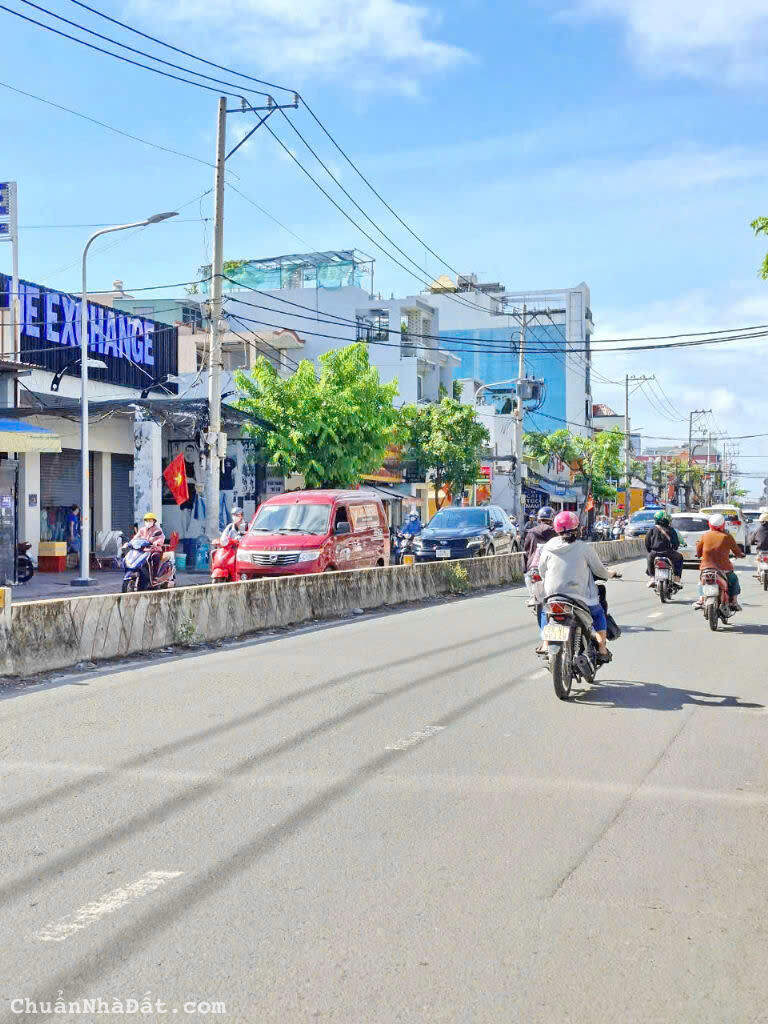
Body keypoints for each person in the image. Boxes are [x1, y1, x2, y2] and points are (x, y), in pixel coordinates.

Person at [538, 510, 621, 661]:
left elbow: (541, 570)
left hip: (553, 595)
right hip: (580, 597)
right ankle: (602, 648)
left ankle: (545, 644)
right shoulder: (584, 548)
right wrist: (611, 574)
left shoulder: (549, 546)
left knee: (545, 612)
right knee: (598, 613)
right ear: (576, 529)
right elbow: (599, 571)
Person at [695, 513, 744, 611]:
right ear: (723, 525)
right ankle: (734, 601)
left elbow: (698, 551)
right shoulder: (727, 536)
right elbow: (736, 551)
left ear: (710, 524)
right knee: (733, 579)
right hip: (724, 569)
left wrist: (699, 555)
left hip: (706, 567)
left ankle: (701, 599)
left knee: (701, 581)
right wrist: (740, 555)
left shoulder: (705, 535)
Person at [644, 510, 683, 588]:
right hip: (668, 553)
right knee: (680, 557)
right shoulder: (671, 530)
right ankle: (676, 578)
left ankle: (652, 578)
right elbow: (676, 543)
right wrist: (674, 548)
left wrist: (650, 551)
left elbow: (647, 542)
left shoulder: (652, 529)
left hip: (654, 553)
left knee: (649, 558)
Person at [135, 512, 165, 588]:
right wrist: (131, 543)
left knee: (155, 556)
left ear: (154, 521)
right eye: (146, 520)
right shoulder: (142, 530)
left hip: (154, 549)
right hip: (144, 550)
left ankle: (155, 576)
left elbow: (162, 538)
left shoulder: (157, 530)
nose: (148, 522)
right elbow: (136, 538)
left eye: (150, 521)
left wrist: (156, 542)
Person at [524, 506, 557, 571]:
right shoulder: (556, 532)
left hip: (533, 566)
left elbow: (526, 551)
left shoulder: (531, 531)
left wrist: (525, 569)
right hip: (551, 565)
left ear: (538, 519)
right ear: (553, 519)